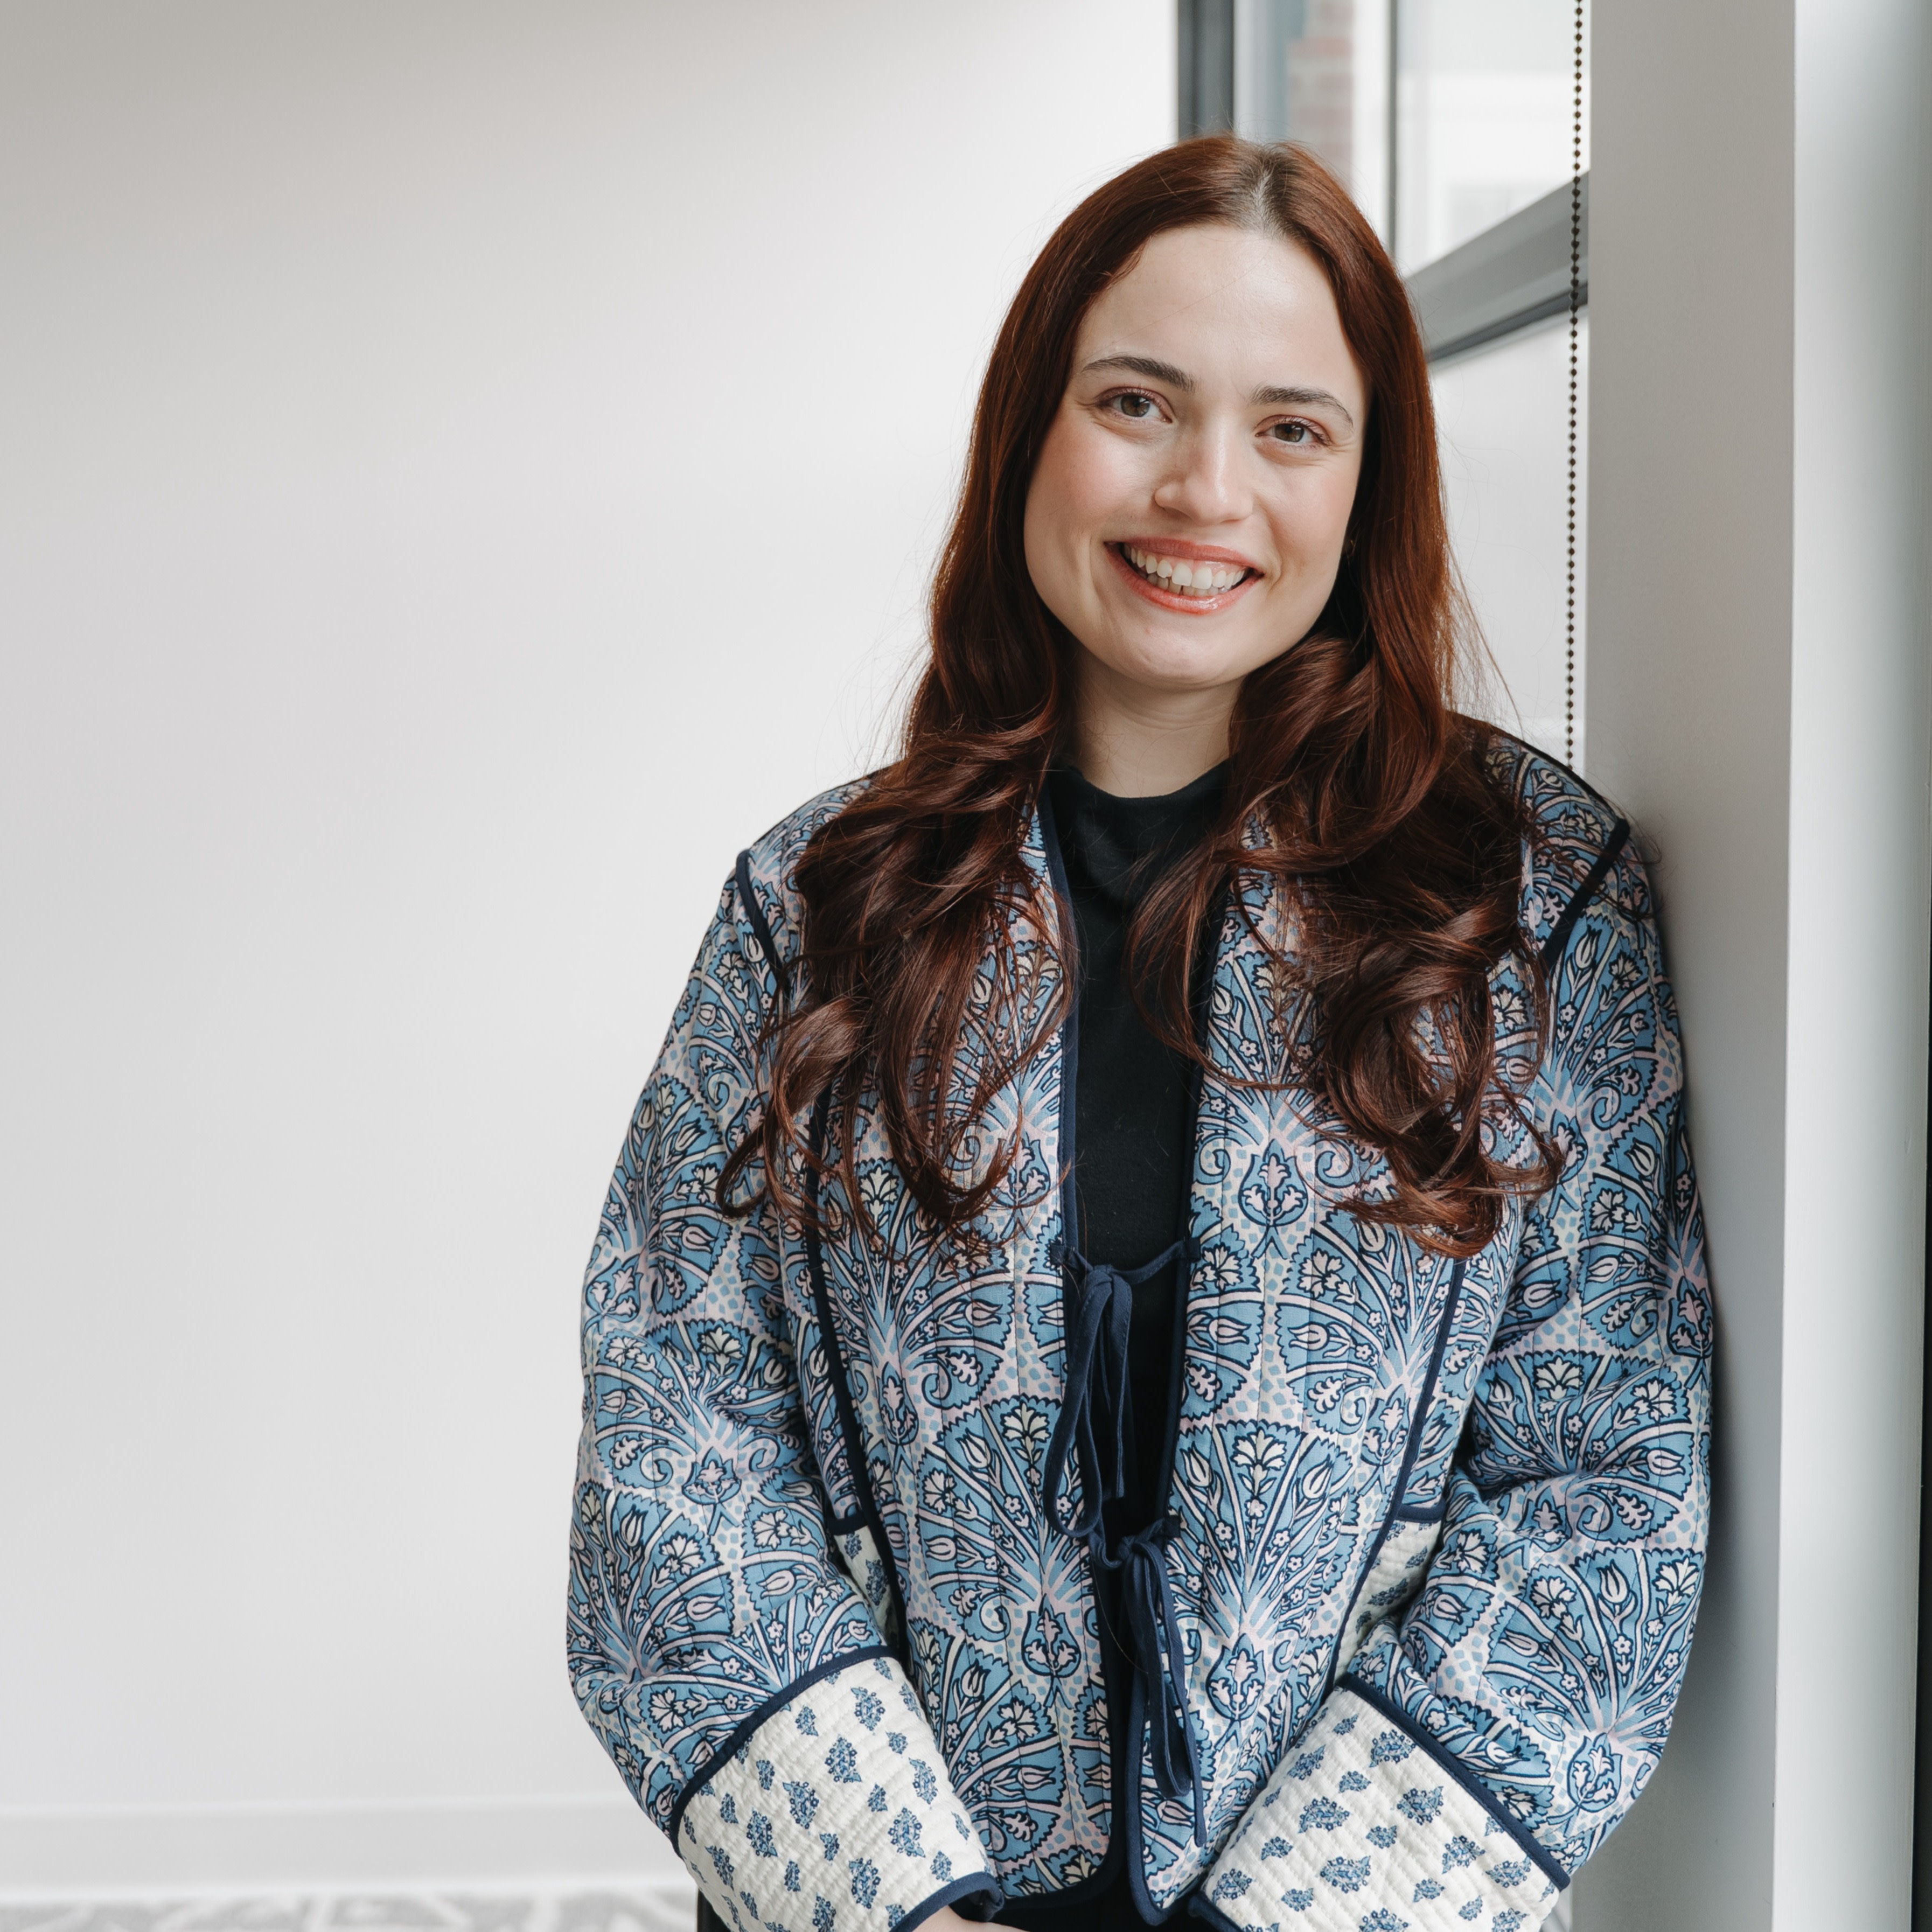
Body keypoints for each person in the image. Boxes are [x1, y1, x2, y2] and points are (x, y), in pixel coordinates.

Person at [566, 136, 1711, 1932]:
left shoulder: (1528, 903)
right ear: (1031, 425)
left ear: (1367, 484)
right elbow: (675, 1432)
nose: (1203, 490)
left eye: (1290, 427)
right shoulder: (815, 903)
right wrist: (901, 1907)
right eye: (1136, 402)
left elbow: (1605, 1477)